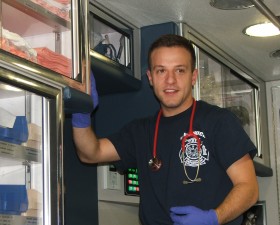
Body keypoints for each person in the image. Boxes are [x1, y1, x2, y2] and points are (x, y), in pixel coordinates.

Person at [72, 34, 259, 225]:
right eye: (161, 71)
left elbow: (249, 188)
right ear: (150, 78)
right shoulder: (141, 131)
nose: (170, 80)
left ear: (193, 77)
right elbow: (91, 153)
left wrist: (214, 218)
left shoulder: (218, 122)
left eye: (179, 71)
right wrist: (81, 114)